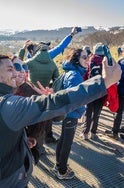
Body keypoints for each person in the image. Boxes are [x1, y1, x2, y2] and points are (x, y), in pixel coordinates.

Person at [0, 53, 120, 187]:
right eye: (10, 69)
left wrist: (21, 139)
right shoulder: (6, 105)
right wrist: (103, 82)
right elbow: (52, 103)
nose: (16, 73)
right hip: (10, 180)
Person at [54, 48, 89, 180]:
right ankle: (62, 171)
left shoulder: (72, 72)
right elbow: (75, 100)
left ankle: (58, 165)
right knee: (66, 143)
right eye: (84, 57)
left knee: (63, 140)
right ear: (76, 60)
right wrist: (82, 112)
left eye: (87, 57)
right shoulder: (75, 75)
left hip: (67, 113)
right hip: (71, 114)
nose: (87, 60)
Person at [80, 43, 106, 140]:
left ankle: (85, 133)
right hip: (101, 90)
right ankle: (93, 132)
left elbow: (85, 75)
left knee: (89, 112)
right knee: (97, 113)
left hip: (90, 90)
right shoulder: (106, 61)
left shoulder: (90, 60)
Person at [105, 44, 124, 139]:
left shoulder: (121, 63)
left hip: (122, 90)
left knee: (119, 111)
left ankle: (115, 132)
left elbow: (118, 76)